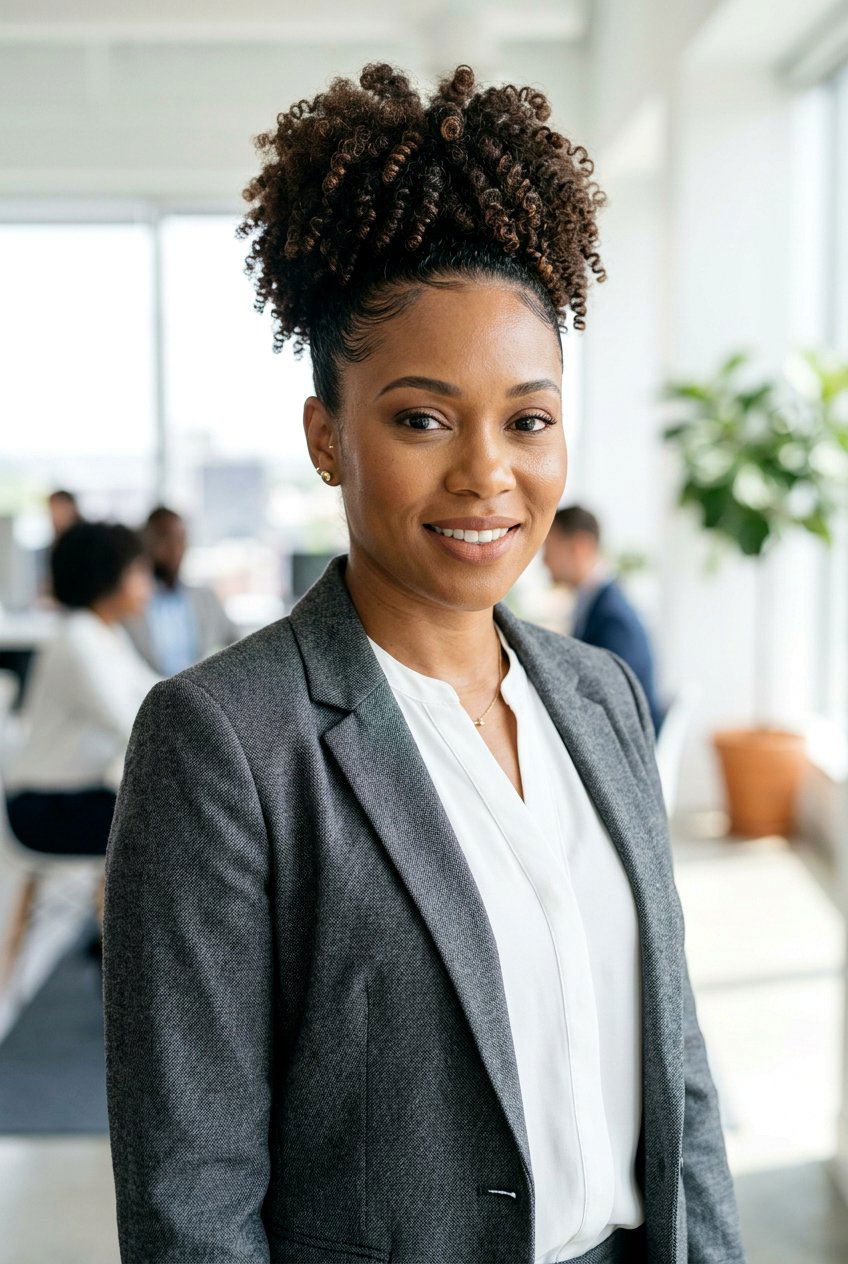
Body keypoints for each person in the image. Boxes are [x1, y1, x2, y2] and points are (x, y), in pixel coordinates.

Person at [103, 65, 745, 1264]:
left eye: (527, 418)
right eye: (420, 417)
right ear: (324, 438)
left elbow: (678, 1083)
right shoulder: (224, 742)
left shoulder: (597, 696)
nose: (486, 473)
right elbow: (191, 1200)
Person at [5, 521, 160, 860]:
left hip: (78, 795)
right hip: (45, 806)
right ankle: (122, 914)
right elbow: (134, 721)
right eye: (139, 571)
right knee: (174, 823)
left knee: (173, 816)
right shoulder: (79, 638)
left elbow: (160, 696)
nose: (148, 584)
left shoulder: (107, 632)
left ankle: (116, 913)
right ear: (110, 575)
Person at [543, 506, 666, 737]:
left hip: (628, 738)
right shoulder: (596, 602)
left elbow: (605, 700)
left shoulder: (612, 617)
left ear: (579, 547)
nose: (544, 561)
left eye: (549, 548)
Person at [123, 505, 238, 676]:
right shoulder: (128, 603)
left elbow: (238, 644)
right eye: (164, 538)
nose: (174, 548)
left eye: (180, 539)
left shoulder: (205, 598)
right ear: (146, 542)